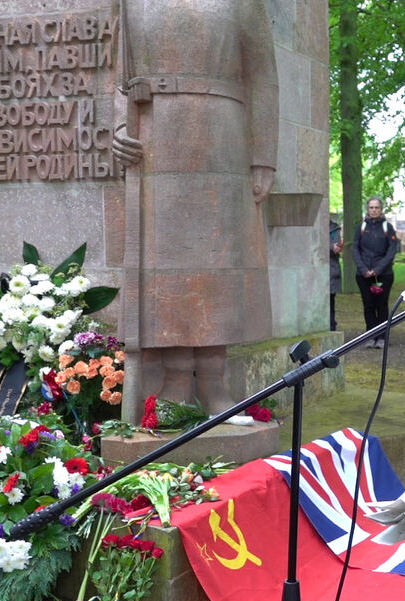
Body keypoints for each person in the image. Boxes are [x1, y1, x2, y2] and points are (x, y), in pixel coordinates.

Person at [110, 0, 278, 414]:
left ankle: (215, 379)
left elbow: (262, 75)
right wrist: (118, 128)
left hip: (222, 137)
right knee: (166, 263)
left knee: (216, 262)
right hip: (155, 138)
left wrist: (263, 156)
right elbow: (120, 79)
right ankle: (175, 377)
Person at [352, 197, 399, 348]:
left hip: (384, 274)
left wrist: (377, 270)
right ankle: (370, 336)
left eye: (376, 207)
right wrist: (364, 269)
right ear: (367, 209)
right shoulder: (360, 227)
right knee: (368, 305)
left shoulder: (388, 228)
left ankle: (382, 337)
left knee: (382, 305)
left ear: (381, 209)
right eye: (371, 207)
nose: (374, 210)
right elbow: (355, 249)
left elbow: (391, 250)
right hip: (363, 274)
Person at [329, 218, 343, 331]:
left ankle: (331, 326)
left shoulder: (334, 229)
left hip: (331, 271)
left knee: (330, 301)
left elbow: (336, 248)